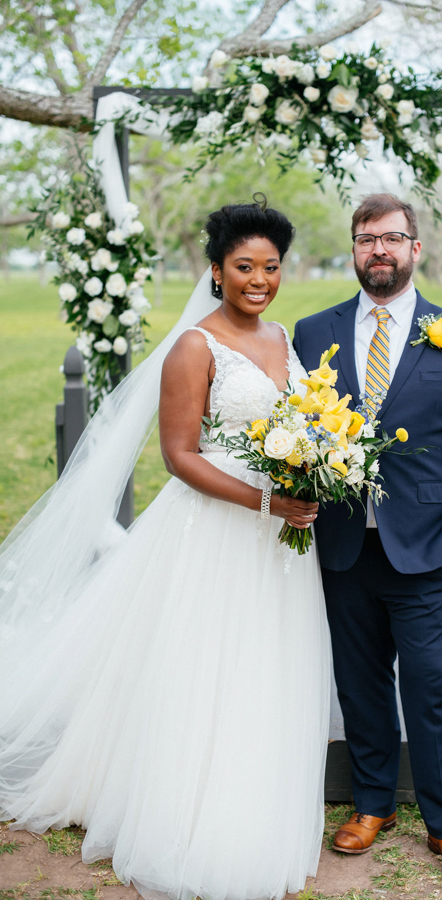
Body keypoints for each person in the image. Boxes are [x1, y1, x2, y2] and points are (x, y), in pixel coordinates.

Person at [0, 199, 330, 900]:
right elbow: (180, 457)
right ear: (215, 271)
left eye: (270, 266)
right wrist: (268, 501)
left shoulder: (281, 335)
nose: (259, 279)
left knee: (263, 664)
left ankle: (252, 797)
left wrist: (318, 470)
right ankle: (187, 814)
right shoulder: (194, 345)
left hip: (277, 541)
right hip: (214, 531)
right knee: (205, 667)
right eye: (244, 266)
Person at [293, 193, 442, 880]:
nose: (377, 250)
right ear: (352, 250)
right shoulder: (310, 332)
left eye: (391, 238)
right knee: (359, 683)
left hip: (431, 546)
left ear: (415, 249)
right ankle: (371, 804)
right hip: (344, 545)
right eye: (364, 239)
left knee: (434, 683)